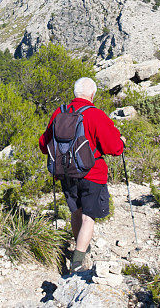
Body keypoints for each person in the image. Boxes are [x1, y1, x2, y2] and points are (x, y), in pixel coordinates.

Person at [39, 76, 125, 272]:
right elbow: (114, 147)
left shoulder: (59, 113)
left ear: (75, 93)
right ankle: (77, 262)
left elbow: (44, 144)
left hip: (66, 173)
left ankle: (80, 249)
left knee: (75, 212)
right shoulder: (95, 115)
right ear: (92, 95)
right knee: (88, 217)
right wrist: (122, 142)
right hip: (91, 174)